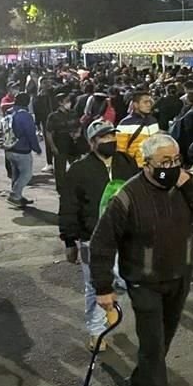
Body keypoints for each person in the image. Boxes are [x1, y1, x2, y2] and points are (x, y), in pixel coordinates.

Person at [90, 133, 193, 386]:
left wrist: (190, 184)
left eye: (176, 160)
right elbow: (102, 243)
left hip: (179, 277)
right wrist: (103, 288)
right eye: (164, 162)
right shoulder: (128, 196)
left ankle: (137, 384)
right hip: (144, 283)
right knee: (153, 349)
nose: (172, 167)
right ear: (146, 164)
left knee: (162, 343)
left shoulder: (184, 186)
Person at [59, 119, 139, 351]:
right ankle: (97, 332)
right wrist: (68, 240)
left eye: (112, 136)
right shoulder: (79, 170)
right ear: (92, 142)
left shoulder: (126, 162)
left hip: (125, 236)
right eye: (104, 138)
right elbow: (69, 207)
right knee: (95, 286)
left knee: (127, 280)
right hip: (91, 238)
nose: (110, 141)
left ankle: (110, 303)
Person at [6, 92, 41, 208]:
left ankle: (18, 196)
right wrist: (36, 148)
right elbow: (30, 134)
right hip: (22, 150)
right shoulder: (25, 116)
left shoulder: (9, 112)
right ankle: (15, 195)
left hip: (9, 148)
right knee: (26, 175)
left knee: (16, 173)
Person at [45, 90, 83, 193]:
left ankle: (76, 186)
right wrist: (53, 147)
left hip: (73, 144)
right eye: (67, 101)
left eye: (69, 101)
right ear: (60, 103)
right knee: (60, 170)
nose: (69, 103)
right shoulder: (53, 116)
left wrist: (77, 133)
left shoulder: (73, 113)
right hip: (60, 143)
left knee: (76, 167)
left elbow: (79, 125)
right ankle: (61, 189)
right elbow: (48, 133)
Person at [116, 91, 161, 167]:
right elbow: (120, 151)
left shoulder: (153, 121)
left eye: (150, 102)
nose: (149, 105)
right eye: (145, 102)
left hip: (152, 166)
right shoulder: (125, 123)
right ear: (136, 105)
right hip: (135, 167)